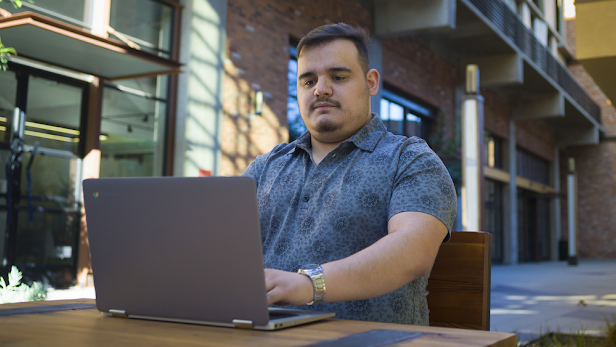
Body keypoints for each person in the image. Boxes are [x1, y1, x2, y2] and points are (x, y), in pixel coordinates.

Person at [242, 23, 457, 325]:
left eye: (338, 76)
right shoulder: (265, 167)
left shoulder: (411, 159)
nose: (321, 89)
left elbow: (413, 250)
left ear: (371, 82)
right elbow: (214, 243)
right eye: (307, 81)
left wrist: (308, 285)